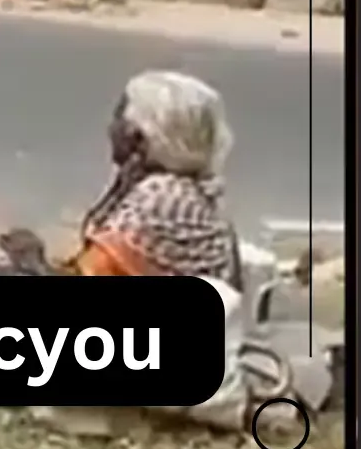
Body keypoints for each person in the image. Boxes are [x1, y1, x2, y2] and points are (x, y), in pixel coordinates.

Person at [65, 70, 243, 287]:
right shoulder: (202, 197)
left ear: (139, 137)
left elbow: (95, 271)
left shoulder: (160, 198)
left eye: (119, 119)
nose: (111, 129)